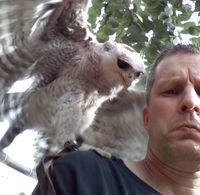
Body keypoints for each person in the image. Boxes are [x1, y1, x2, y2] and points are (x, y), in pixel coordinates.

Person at [32, 43, 200, 195]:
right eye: (171, 91)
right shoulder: (80, 174)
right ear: (146, 119)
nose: (191, 102)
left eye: (135, 75)